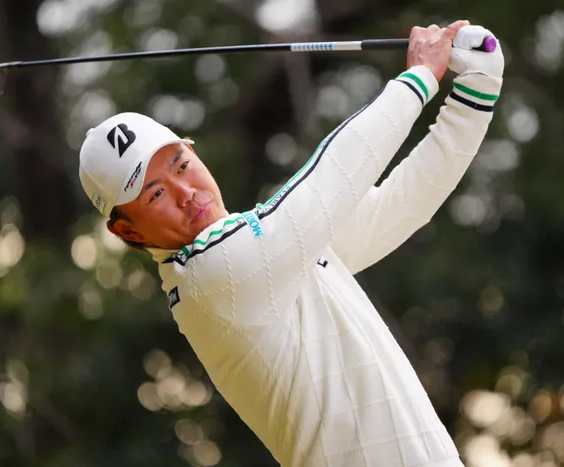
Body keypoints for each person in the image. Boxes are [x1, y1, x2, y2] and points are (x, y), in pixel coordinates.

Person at [78, 20, 504, 467]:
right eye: (155, 195)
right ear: (128, 232)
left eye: (182, 165)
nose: (186, 193)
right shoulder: (210, 273)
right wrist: (418, 78)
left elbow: (402, 202)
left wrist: (475, 92)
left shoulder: (276, 249)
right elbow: (329, 179)